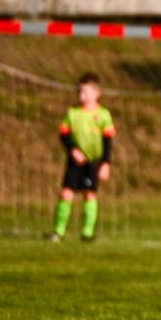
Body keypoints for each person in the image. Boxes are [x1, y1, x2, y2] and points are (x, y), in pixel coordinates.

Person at [49, 74, 115, 243]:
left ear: (97, 93)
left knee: (90, 194)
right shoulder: (73, 113)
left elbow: (108, 140)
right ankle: (59, 231)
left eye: (85, 92)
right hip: (76, 160)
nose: (81, 95)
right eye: (79, 91)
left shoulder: (103, 114)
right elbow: (63, 135)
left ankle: (87, 233)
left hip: (94, 161)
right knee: (66, 193)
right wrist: (73, 150)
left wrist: (106, 163)